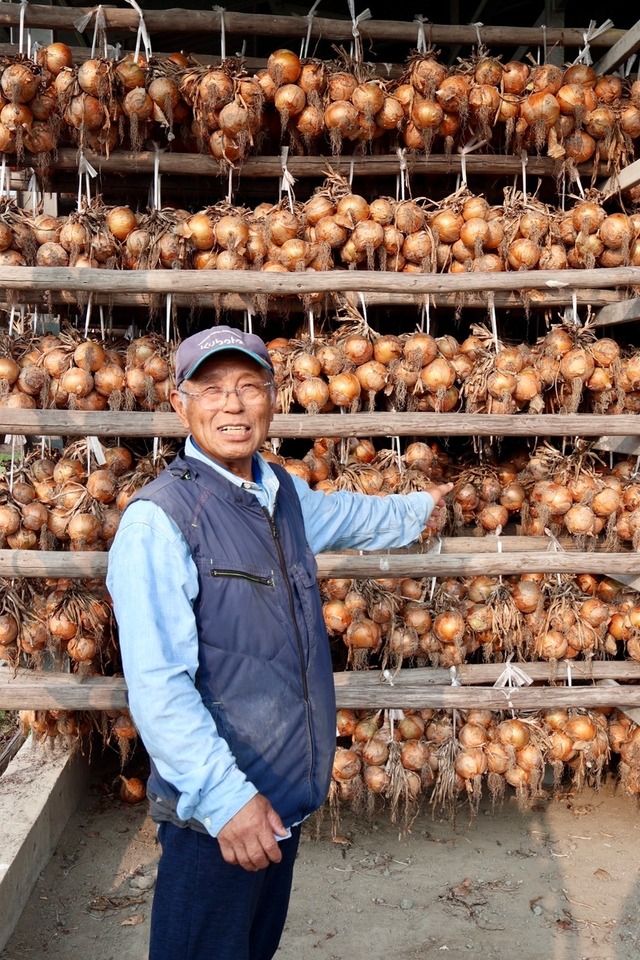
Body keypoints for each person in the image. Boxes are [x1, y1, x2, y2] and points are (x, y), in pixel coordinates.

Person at [106, 324, 453, 960]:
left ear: (272, 399)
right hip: (219, 815)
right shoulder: (160, 521)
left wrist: (417, 507)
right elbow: (157, 685)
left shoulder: (280, 493)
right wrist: (226, 800)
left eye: (248, 387)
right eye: (211, 390)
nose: (233, 405)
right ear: (180, 404)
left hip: (279, 801)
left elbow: (351, 516)